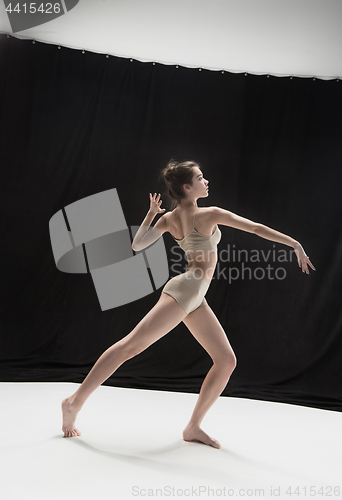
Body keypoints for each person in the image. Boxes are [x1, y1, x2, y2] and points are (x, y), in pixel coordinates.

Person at [61, 159, 315, 448]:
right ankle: (74, 401)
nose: (206, 181)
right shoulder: (210, 214)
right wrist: (294, 243)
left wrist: (151, 215)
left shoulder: (169, 219)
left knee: (226, 361)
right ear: (187, 186)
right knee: (131, 346)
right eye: (200, 177)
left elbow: (137, 245)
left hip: (194, 294)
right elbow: (256, 228)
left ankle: (193, 427)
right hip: (185, 291)